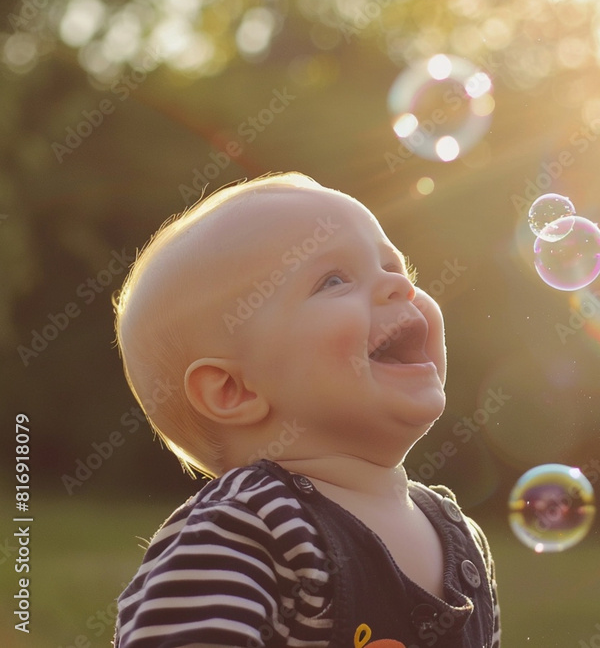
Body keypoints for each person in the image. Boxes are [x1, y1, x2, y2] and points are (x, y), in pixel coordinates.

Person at [112, 172, 500, 648]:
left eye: (394, 267)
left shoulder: (461, 536)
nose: (397, 286)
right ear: (234, 389)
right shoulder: (248, 525)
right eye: (334, 280)